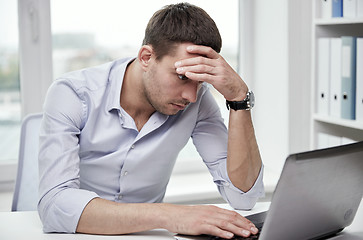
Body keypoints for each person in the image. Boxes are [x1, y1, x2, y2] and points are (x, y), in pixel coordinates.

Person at [38, 2, 264, 239]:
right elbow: (55, 205)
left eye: (200, 80)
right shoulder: (73, 94)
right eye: (182, 77)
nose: (191, 95)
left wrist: (239, 99)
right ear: (146, 57)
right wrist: (170, 216)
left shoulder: (197, 101)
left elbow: (244, 196)